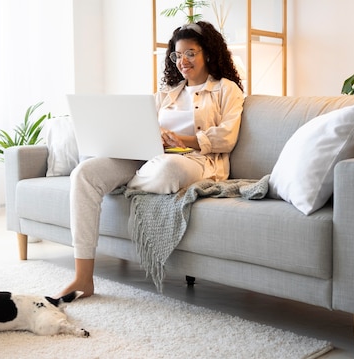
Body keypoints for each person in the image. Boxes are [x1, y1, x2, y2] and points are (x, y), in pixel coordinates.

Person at [57, 21, 244, 298]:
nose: (183, 61)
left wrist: (184, 141)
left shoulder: (227, 90)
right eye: (178, 55)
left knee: (166, 170)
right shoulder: (168, 92)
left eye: (190, 53)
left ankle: (124, 183)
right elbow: (144, 126)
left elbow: (226, 138)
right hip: (147, 156)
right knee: (84, 173)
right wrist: (144, 138)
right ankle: (83, 277)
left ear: (208, 53)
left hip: (194, 160)